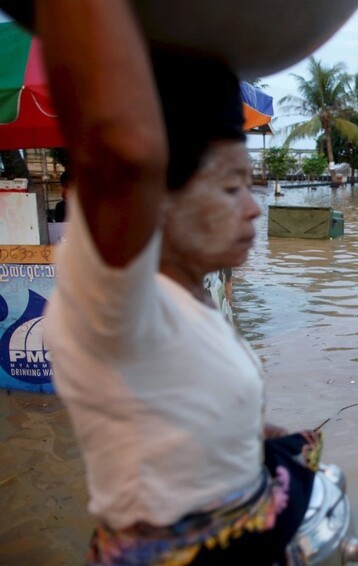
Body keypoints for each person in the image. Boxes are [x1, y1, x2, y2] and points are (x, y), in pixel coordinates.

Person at [39, 1, 317, 563]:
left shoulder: (189, 292)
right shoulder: (116, 302)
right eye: (233, 186)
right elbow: (123, 150)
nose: (255, 211)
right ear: (156, 202)